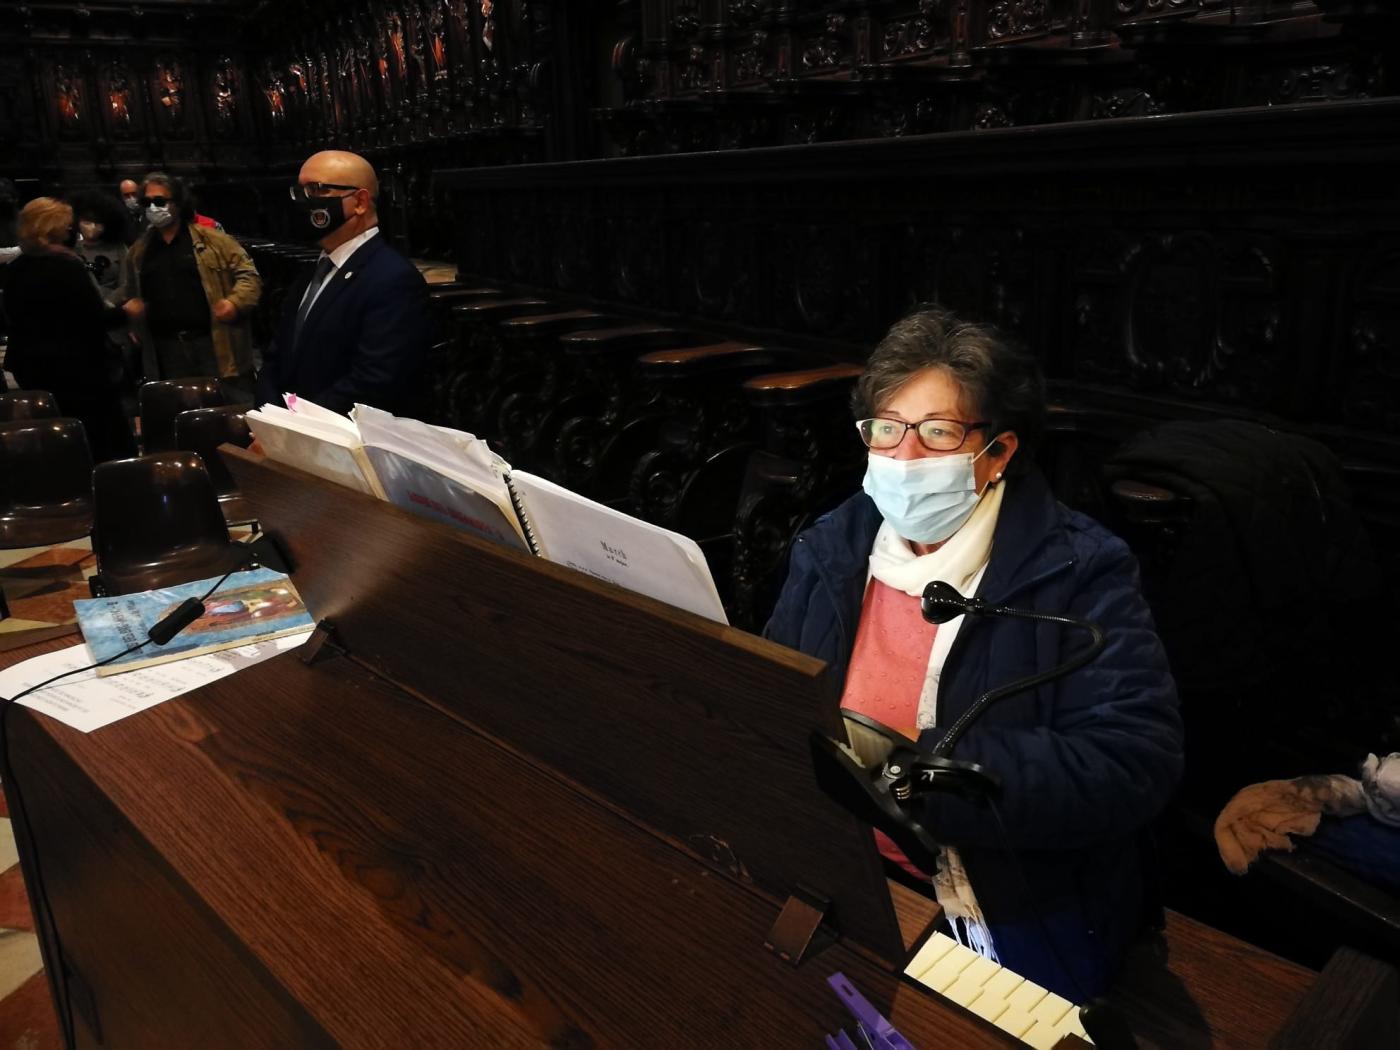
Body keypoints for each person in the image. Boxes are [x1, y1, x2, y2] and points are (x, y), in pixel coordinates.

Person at [764, 306, 1182, 1000]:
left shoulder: (1078, 570)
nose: (903, 459)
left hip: (998, 900)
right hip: (838, 868)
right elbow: (774, 697)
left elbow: (1133, 760)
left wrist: (931, 778)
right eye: (886, 429)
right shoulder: (833, 545)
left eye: (937, 433)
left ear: (998, 452)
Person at [254, 150, 429, 416]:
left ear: (360, 202)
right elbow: (278, 354)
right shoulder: (314, 269)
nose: (304, 201)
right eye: (300, 191)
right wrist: (267, 415)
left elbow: (375, 380)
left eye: (317, 189)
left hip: (340, 432)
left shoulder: (392, 278)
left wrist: (296, 425)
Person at [2, 197, 135, 461]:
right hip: (77, 370)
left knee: (54, 438)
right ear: (53, 227)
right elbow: (91, 318)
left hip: (32, 366)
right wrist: (127, 313)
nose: (71, 229)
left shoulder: (16, 268)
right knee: (96, 438)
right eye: (66, 224)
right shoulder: (66, 266)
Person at [121, 171, 261, 402]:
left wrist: (235, 302)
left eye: (160, 201)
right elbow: (129, 291)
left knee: (227, 403)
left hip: (212, 342)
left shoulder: (213, 240)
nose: (153, 208)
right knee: (181, 407)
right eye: (147, 202)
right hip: (165, 348)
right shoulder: (139, 251)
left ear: (177, 203)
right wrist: (131, 313)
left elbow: (249, 275)